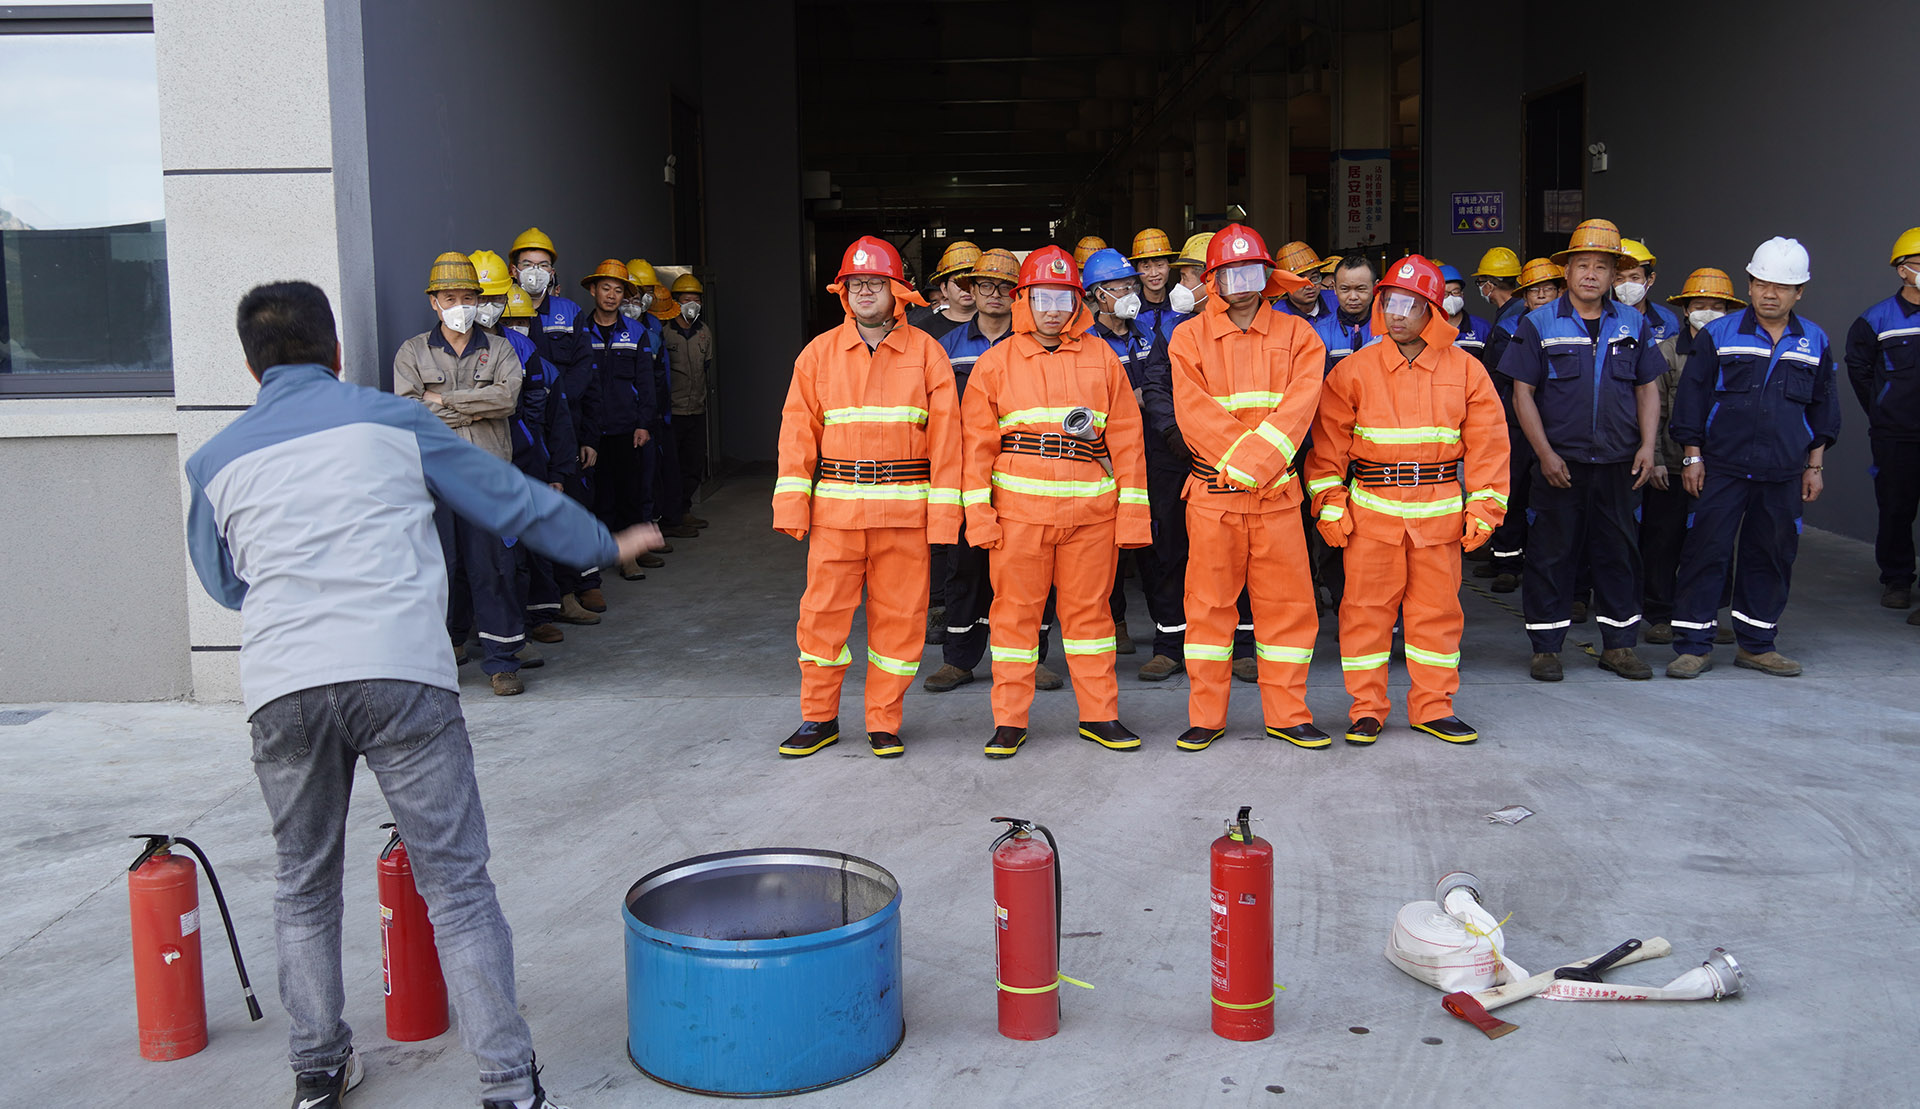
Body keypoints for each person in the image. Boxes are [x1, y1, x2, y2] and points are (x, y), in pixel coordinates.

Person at [186, 281, 659, 1109]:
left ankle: (317, 1071)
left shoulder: (213, 460)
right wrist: (600, 542)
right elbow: (504, 496)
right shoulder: (393, 422)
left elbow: (227, 586)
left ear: (251, 367)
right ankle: (508, 1084)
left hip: (284, 686)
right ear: (337, 353)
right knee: (457, 885)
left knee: (303, 883)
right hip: (399, 671)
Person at [773, 236, 962, 758]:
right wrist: (791, 504)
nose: (864, 292)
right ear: (843, 291)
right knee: (821, 618)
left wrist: (945, 518)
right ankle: (818, 719)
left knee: (900, 622)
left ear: (897, 291)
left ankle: (884, 721)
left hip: (904, 517)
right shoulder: (818, 354)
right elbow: (796, 433)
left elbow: (948, 440)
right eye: (855, 284)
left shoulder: (926, 353)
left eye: (875, 283)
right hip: (836, 517)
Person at [960, 245, 1151, 758]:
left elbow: (1127, 441)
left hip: (1091, 517)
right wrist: (979, 516)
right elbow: (975, 449)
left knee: (1092, 621)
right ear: (1023, 299)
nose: (1052, 310)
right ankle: (1009, 721)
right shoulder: (996, 363)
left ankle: (1100, 715)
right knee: (1014, 620)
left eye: (1062, 299)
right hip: (1018, 519)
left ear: (1077, 303)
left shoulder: (1102, 358)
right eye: (1042, 298)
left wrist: (1133, 516)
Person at [1308, 255, 1509, 743]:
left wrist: (1485, 508)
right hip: (1372, 518)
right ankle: (1366, 709)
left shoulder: (1467, 371)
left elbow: (1489, 447)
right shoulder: (1353, 371)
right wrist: (1329, 501)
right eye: (1390, 303)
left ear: (1434, 310)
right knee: (1364, 615)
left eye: (1410, 304)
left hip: (1438, 519)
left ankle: (1433, 707)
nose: (1396, 314)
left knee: (1437, 616)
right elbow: (1326, 449)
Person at [1167, 224, 1328, 751]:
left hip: (1275, 499)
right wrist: (1256, 465)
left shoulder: (1299, 336)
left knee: (1288, 609)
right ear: (1211, 280)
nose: (1240, 285)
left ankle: (1289, 714)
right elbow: (1194, 413)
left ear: (1267, 276)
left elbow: (1300, 408)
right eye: (1229, 274)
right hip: (1216, 499)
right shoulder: (1188, 337)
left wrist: (1254, 468)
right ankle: (1206, 716)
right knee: (1208, 609)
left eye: (1250, 272)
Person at [1498, 218, 1665, 682]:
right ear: (1567, 271)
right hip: (1559, 465)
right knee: (1551, 555)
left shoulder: (1634, 323)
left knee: (1618, 553)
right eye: (1583, 265)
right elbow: (1523, 394)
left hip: (1618, 463)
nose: (1591, 274)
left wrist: (1648, 446)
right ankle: (1546, 648)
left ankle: (1620, 646)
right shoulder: (1538, 323)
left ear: (1614, 275)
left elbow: (1647, 389)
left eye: (1602, 267)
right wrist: (1545, 454)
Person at [1666, 239, 1838, 678]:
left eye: (1781, 286)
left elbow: (1823, 408)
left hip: (1783, 471)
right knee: (1706, 551)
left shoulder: (1814, 341)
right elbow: (1692, 399)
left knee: (1772, 554)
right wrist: (1692, 457)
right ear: (1750, 284)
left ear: (1799, 292)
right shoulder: (1719, 335)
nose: (1770, 293)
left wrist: (1814, 466)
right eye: (1762, 283)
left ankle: (1757, 645)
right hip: (1721, 466)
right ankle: (1693, 646)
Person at [923, 248, 1065, 693]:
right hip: (967, 469)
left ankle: (1032, 658)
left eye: (1006, 287)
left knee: (1032, 569)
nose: (996, 294)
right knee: (964, 565)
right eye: (986, 285)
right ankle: (958, 659)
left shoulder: (1033, 345)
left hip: (1026, 471)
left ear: (1019, 294)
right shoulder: (945, 348)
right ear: (971, 290)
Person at [393, 253, 528, 695]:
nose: (461, 306)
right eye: (450, 298)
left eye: (468, 298)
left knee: (494, 567)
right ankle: (445, 651)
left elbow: (507, 399)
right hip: (435, 480)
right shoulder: (412, 352)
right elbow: (410, 412)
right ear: (434, 302)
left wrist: (445, 401)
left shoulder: (500, 349)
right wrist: (475, 404)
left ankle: (502, 662)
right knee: (441, 567)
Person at [1083, 247, 1189, 679]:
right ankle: (1114, 625)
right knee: (1104, 549)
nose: (1131, 293)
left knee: (1162, 548)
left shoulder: (1150, 332)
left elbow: (1168, 386)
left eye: (1131, 285)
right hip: (1103, 458)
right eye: (1121, 288)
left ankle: (1170, 642)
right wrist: (1133, 397)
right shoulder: (1084, 344)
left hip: (1156, 455)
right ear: (1098, 295)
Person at [477, 254, 577, 649]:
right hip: (475, 459)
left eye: (493, 298)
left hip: (522, 454)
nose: (485, 306)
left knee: (529, 542)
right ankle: (483, 628)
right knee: (485, 551)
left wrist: (529, 447)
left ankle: (539, 615)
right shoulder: (445, 348)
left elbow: (539, 405)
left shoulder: (522, 347)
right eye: (480, 297)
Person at [1642, 268, 1746, 643]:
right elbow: (1653, 412)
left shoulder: (1737, 351)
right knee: (1663, 541)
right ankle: (1660, 613)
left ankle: (1706, 614)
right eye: (1700, 305)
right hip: (1671, 466)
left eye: (1717, 306)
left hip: (1721, 466)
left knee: (1714, 541)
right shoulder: (1666, 353)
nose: (1708, 312)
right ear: (1685, 310)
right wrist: (1655, 459)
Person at [508, 227, 605, 621]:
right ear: (513, 270)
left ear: (553, 271)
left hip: (567, 427)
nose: (535, 271)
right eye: (528, 264)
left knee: (572, 507)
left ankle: (578, 587)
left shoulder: (569, 313)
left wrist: (588, 435)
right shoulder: (501, 308)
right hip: (523, 430)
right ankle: (545, 601)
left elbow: (587, 373)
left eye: (543, 264)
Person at [1480, 256, 1568, 593]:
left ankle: (1545, 566)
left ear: (1560, 292)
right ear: (1525, 297)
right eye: (1535, 290)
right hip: (1516, 426)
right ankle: (1506, 562)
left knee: (1553, 499)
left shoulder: (1572, 329)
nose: (1542, 295)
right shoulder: (1509, 329)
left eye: (1548, 289)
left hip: (1558, 429)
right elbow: (1498, 376)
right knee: (1513, 492)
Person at [1845, 227, 1920, 617]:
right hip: (1896, 433)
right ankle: (1897, 579)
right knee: (1895, 508)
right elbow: (1860, 372)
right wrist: (1882, 410)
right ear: (1902, 270)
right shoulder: (1875, 320)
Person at [576, 260, 657, 580]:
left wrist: (644, 423)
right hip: (591, 430)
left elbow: (646, 382)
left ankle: (629, 557)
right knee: (596, 495)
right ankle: (599, 553)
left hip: (626, 427)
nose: (611, 295)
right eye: (606, 288)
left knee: (629, 492)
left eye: (618, 290)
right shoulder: (581, 331)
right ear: (593, 291)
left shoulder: (636, 332)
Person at [664, 272, 714, 528]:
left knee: (693, 464)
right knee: (670, 467)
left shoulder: (704, 332)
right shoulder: (664, 332)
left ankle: (684, 511)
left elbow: (706, 367)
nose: (692, 305)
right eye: (686, 300)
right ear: (676, 302)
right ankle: (670, 516)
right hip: (672, 413)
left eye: (696, 300)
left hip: (696, 410)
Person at [907, 240, 981, 340]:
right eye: (958, 282)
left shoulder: (997, 325)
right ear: (944, 288)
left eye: (971, 281)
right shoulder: (924, 330)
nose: (966, 288)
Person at [1317, 255, 1377, 371]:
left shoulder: (1388, 329)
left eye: (1361, 289)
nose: (1353, 297)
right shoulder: (1320, 332)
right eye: (1345, 289)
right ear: (1334, 288)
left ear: (1375, 287)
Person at [1616, 239, 1683, 344]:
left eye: (1635, 278)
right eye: (1619, 279)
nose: (1627, 284)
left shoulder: (1666, 321)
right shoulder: (1602, 317)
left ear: (1650, 279)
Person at [1130, 227, 1187, 347]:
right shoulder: (1130, 310)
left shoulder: (1183, 306)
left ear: (1169, 266)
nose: (1154, 273)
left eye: (1159, 265)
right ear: (1137, 270)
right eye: (1146, 267)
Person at [1436, 262, 1494, 361]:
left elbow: (1490, 365)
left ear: (1462, 295)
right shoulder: (1428, 328)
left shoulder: (1482, 328)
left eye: (1455, 292)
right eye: (1445, 294)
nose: (1451, 298)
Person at [1169, 232, 1214, 316]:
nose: (1180, 284)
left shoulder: (1235, 320)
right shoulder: (1181, 323)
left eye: (1185, 278)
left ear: (1209, 280)